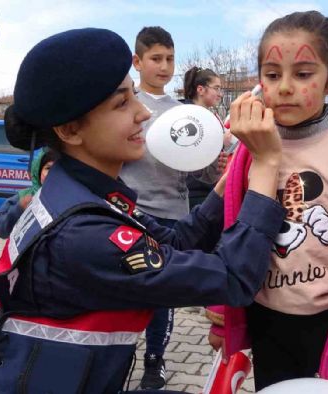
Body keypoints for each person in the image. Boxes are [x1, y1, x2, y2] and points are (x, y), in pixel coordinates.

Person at [0, 28, 285, 394]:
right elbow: (231, 278)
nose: (143, 113)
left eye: (134, 95)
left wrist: (228, 182)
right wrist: (266, 166)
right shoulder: (84, 232)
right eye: (122, 103)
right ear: (70, 130)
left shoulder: (77, 193)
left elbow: (175, 240)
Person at [205, 11, 328, 393]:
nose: (284, 87)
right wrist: (222, 314)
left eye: (302, 74)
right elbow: (229, 230)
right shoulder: (252, 150)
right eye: (271, 74)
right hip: (267, 321)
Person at [119, 27, 224, 389]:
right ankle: (116, 355)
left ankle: (154, 361)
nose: (164, 67)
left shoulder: (183, 113)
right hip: (131, 212)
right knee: (127, 289)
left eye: (170, 59)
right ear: (138, 61)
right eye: (156, 59)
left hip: (173, 215)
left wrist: (216, 165)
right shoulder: (126, 106)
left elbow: (198, 166)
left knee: (163, 294)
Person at [182, 66, 228, 209]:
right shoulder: (183, 115)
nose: (220, 94)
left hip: (210, 188)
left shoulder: (211, 117)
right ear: (200, 89)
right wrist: (221, 141)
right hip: (191, 192)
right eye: (216, 88)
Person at [0, 148, 59, 239]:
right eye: (48, 168)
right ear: (38, 172)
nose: (52, 173)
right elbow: (0, 229)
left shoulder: (71, 198)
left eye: (57, 169)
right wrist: (19, 208)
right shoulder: (24, 197)